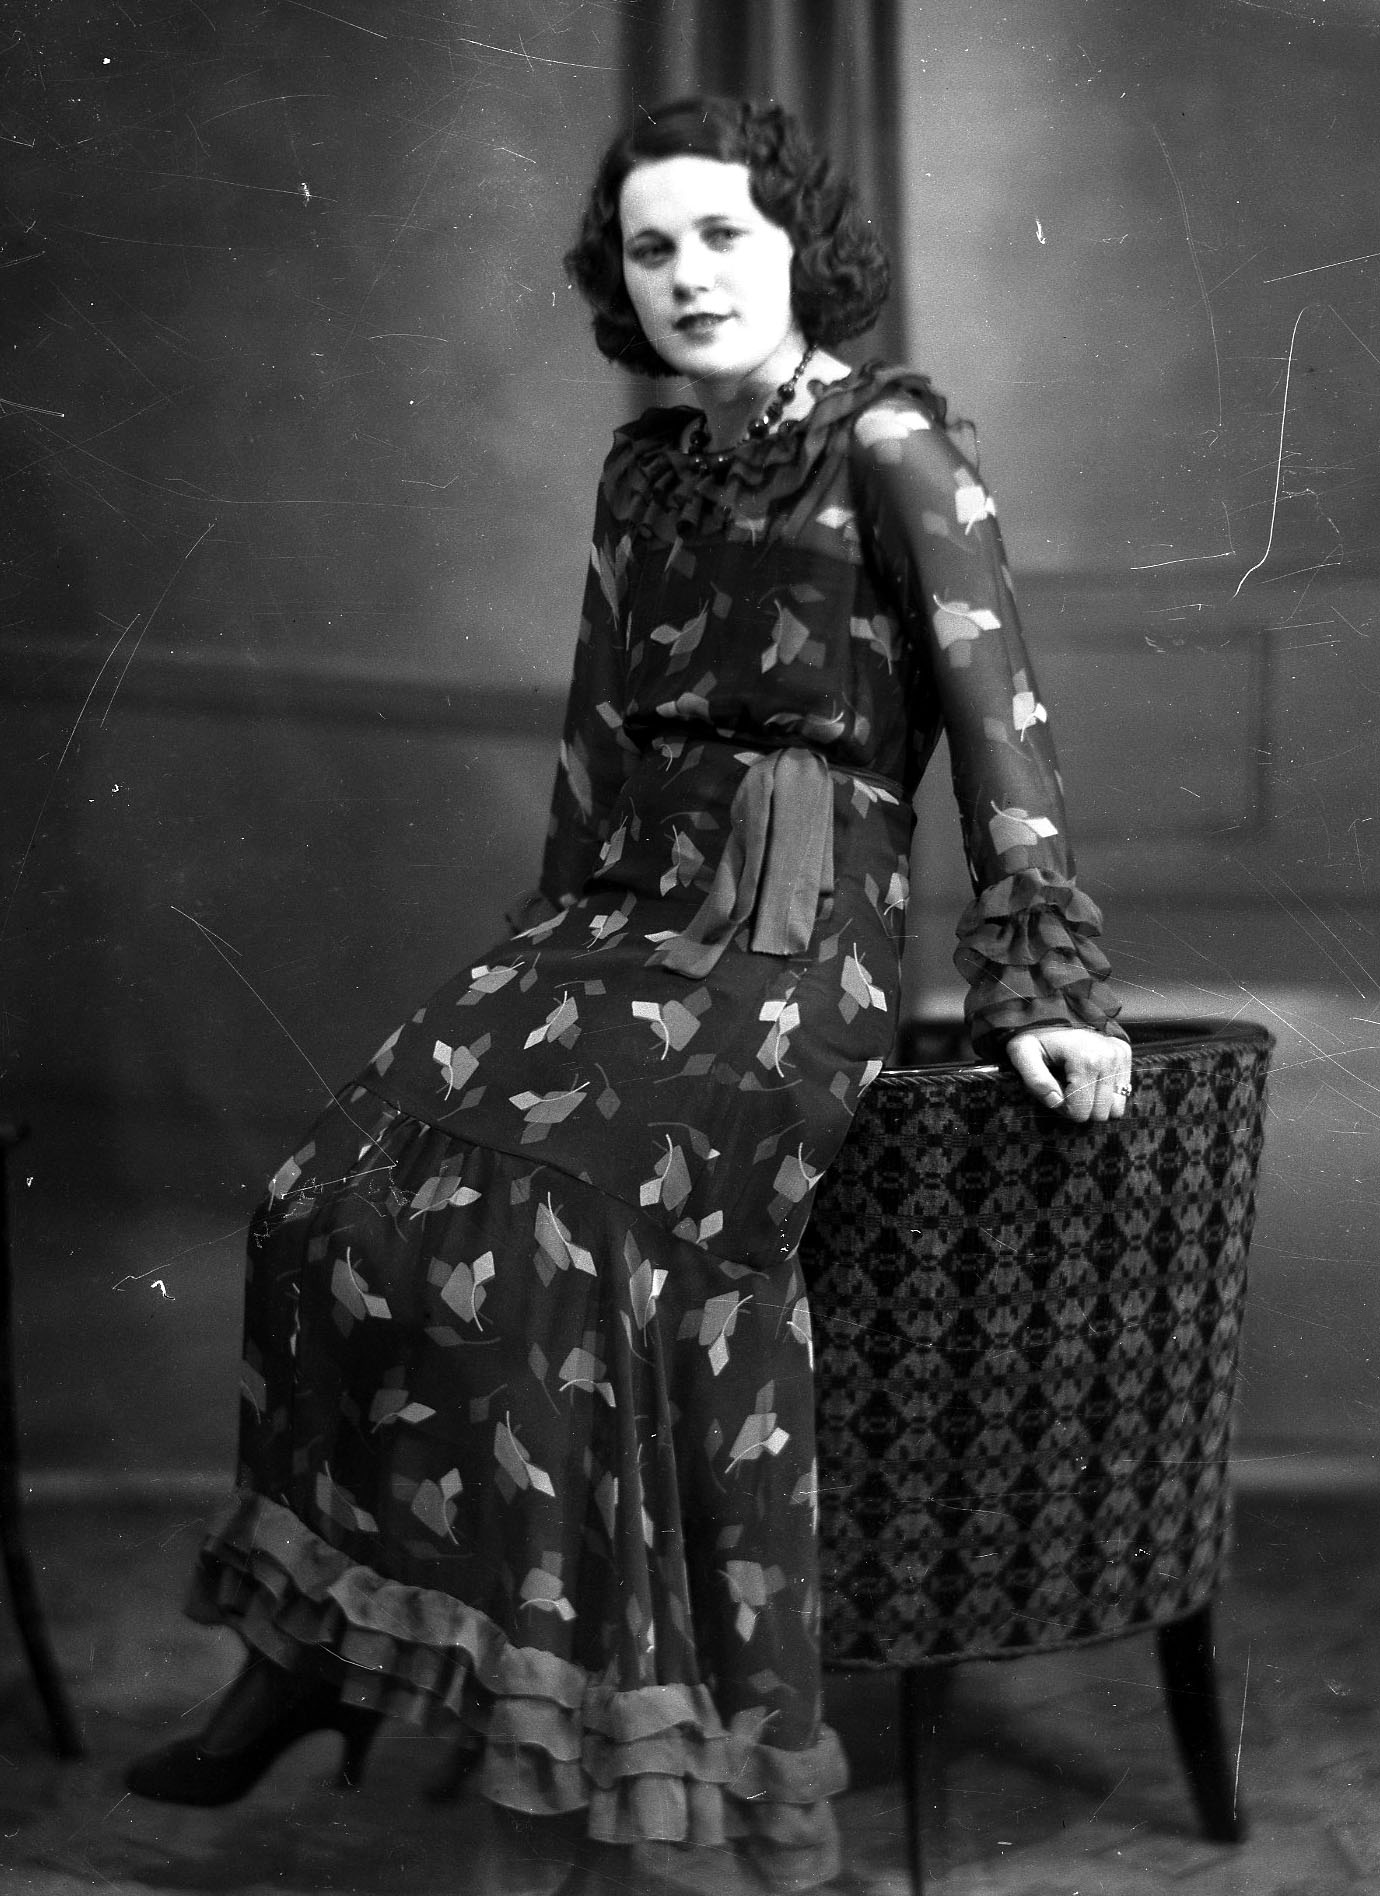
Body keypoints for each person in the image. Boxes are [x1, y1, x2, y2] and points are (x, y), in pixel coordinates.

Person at [125, 96, 1130, 1892]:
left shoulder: (895, 446)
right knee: (323, 1200)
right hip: (619, 917)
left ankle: (596, 1766)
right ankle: (307, 1650)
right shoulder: (644, 470)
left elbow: (1005, 720)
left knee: (558, 1238)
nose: (688, 276)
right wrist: (532, 974)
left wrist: (1043, 976)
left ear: (799, 246)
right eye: (653, 248)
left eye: (724, 235)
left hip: (797, 941)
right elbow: (598, 735)